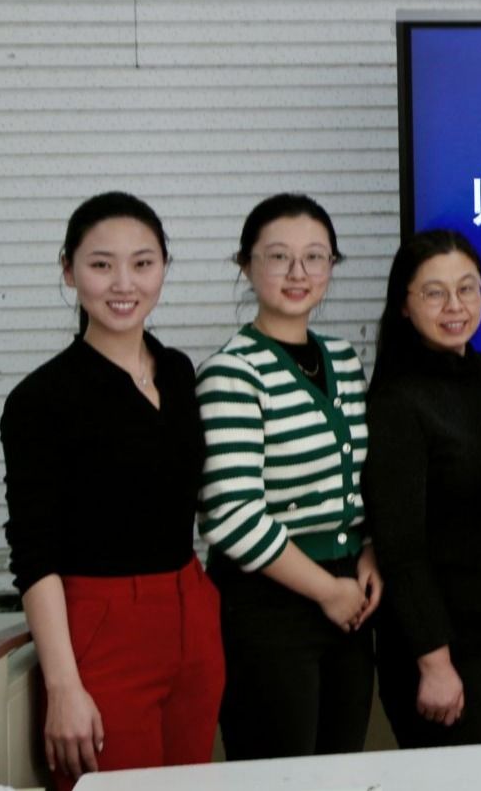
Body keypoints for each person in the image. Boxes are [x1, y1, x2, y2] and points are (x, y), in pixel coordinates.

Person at [0, 193, 224, 789]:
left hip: (192, 614)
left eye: (142, 263)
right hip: (100, 628)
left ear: (164, 268)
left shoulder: (178, 371)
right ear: (68, 270)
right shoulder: (40, 400)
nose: (124, 283)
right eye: (101, 265)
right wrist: (63, 686)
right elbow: (34, 553)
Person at [196, 193, 379, 759]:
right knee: (278, 774)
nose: (298, 273)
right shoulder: (231, 372)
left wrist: (368, 550)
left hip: (349, 599)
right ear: (246, 265)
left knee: (341, 769)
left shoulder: (343, 359)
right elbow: (232, 516)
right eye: (279, 257)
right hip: (269, 606)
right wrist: (326, 590)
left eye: (315, 257)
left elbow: (362, 481)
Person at [364, 231, 481, 751]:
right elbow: (400, 546)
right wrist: (434, 661)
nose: (455, 306)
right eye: (434, 293)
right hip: (440, 647)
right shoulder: (396, 401)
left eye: (467, 288)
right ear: (404, 305)